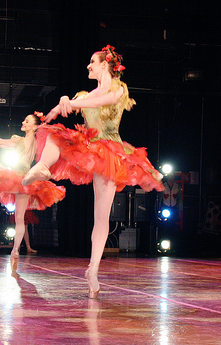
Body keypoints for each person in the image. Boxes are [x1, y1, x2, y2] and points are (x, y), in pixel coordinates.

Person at [21, 45, 164, 298]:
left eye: (92, 62)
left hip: (111, 152)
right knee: (55, 135)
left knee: (102, 217)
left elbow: (103, 100)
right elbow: (67, 112)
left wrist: (73, 101)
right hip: (89, 146)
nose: (88, 66)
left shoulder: (118, 88)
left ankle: (93, 271)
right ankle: (43, 166)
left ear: (105, 65)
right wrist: (61, 105)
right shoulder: (84, 93)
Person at [0, 113, 66, 272]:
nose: (23, 122)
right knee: (19, 218)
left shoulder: (22, 140)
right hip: (26, 180)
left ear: (35, 126)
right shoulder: (39, 143)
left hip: (19, 176)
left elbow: (3, 143)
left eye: (27, 121)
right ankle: (15, 250)